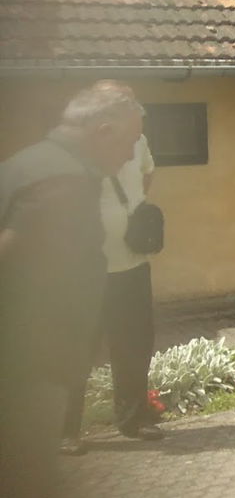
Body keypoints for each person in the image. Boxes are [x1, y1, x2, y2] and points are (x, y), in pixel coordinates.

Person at [0, 80, 143, 498]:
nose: (128, 157)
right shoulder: (62, 182)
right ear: (102, 132)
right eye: (126, 144)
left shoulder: (29, 161)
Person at [63, 131, 163, 445]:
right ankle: (65, 431)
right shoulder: (74, 143)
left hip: (133, 263)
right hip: (85, 270)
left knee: (134, 345)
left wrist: (128, 210)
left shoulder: (139, 140)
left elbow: (147, 173)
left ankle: (133, 419)